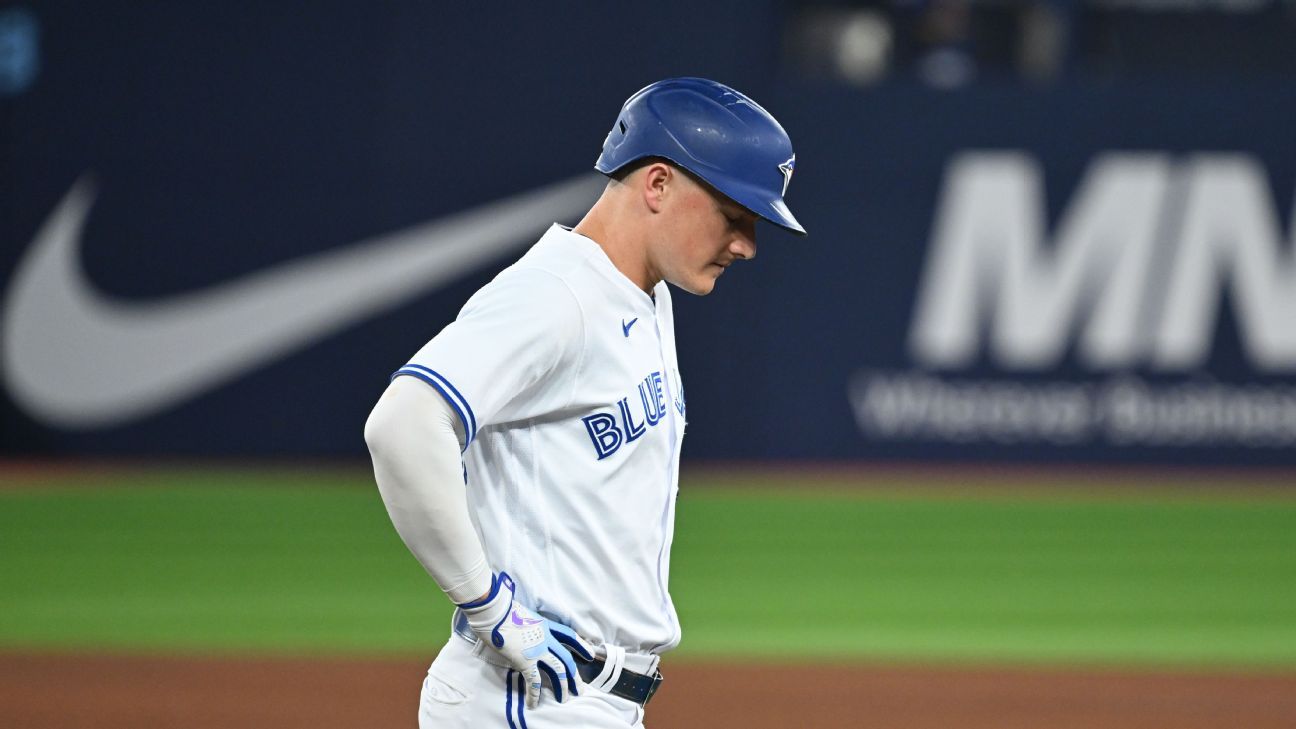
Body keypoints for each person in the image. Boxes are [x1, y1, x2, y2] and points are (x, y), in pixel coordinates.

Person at [364, 76, 805, 729]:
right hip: (526, 700)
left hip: (581, 700)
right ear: (657, 185)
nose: (746, 244)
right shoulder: (559, 295)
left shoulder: (644, 294)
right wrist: (487, 603)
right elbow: (402, 423)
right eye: (735, 215)